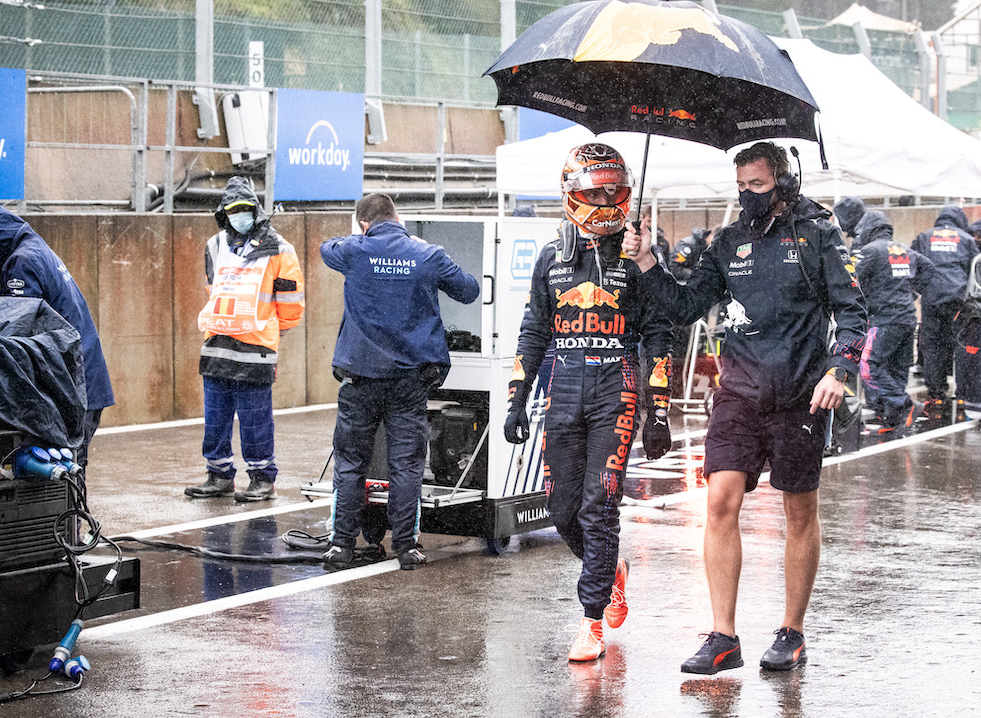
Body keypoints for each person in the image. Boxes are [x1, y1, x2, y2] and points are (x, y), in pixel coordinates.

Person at [624, 141, 867, 675]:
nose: (746, 195)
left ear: (784, 183)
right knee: (719, 502)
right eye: (740, 186)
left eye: (756, 185)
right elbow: (687, 306)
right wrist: (645, 262)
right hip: (737, 393)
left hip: (801, 394)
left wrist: (839, 370)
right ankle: (723, 636)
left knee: (798, 510)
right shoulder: (726, 240)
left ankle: (792, 632)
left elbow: (853, 314)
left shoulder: (819, 233)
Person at [503, 142, 675, 663]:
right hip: (561, 390)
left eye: (612, 189)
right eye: (595, 189)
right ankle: (611, 571)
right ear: (572, 192)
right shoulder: (551, 258)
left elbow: (660, 332)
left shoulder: (640, 255)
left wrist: (658, 408)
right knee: (561, 510)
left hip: (616, 390)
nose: (605, 197)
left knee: (600, 507)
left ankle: (591, 621)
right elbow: (534, 331)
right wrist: (516, 400)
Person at [321, 193, 479, 570]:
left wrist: (363, 243)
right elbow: (469, 289)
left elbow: (328, 249)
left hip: (360, 380)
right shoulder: (427, 254)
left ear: (363, 223)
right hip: (409, 382)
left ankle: (341, 546)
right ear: (398, 219)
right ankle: (406, 547)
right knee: (406, 465)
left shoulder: (354, 250)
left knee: (350, 463)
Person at [0, 201, 114, 472]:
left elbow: (16, 332)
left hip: (74, 385)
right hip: (81, 377)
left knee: (63, 474)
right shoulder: (34, 248)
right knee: (64, 470)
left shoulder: (22, 262)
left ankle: (72, 517)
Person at [184, 177, 304, 502]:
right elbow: (214, 290)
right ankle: (218, 475)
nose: (239, 215)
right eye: (233, 210)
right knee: (215, 417)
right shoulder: (215, 245)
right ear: (224, 212)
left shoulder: (279, 250)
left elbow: (291, 304)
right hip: (218, 344)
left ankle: (263, 479)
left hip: (256, 348)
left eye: (245, 209)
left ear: (256, 210)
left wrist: (270, 332)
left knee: (254, 420)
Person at [852, 211, 931, 437]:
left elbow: (850, 280)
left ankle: (904, 404)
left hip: (884, 319)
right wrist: (913, 292)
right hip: (907, 317)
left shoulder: (870, 251)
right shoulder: (903, 249)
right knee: (896, 370)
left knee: (868, 365)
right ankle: (893, 418)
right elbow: (929, 269)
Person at [911, 205, 978, 422]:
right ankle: (963, 395)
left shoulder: (924, 237)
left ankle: (936, 394)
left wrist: (924, 290)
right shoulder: (966, 239)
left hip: (932, 300)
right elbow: (975, 270)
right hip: (959, 301)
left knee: (933, 346)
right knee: (962, 347)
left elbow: (914, 266)